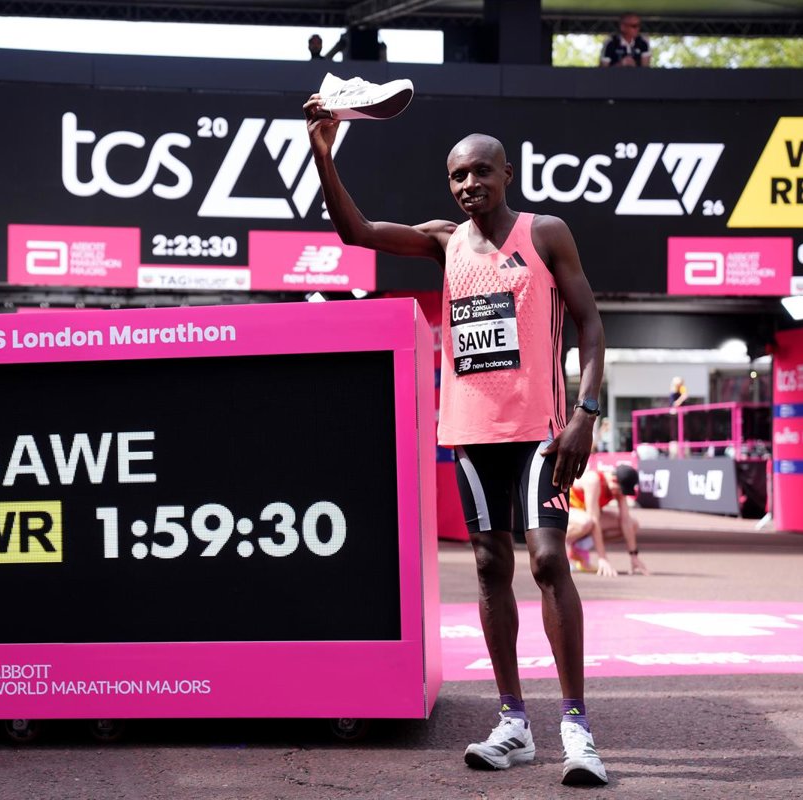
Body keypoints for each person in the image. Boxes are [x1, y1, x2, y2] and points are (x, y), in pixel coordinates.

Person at [304, 99, 608, 786]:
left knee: (548, 560)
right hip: (471, 434)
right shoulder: (445, 242)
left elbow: (590, 324)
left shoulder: (545, 233)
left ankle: (577, 726)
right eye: (457, 176)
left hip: (540, 431)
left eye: (481, 172)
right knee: (490, 566)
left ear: (507, 174)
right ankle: (514, 724)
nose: (470, 184)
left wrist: (587, 412)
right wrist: (324, 154)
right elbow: (357, 233)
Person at [566, 464, 649, 577]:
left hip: (585, 516)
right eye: (620, 490)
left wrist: (634, 556)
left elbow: (626, 520)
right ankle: (559, 549)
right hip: (565, 512)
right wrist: (602, 558)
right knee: (587, 522)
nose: (621, 494)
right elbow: (594, 519)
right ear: (614, 480)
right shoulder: (593, 481)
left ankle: (579, 548)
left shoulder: (618, 488)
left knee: (633, 524)